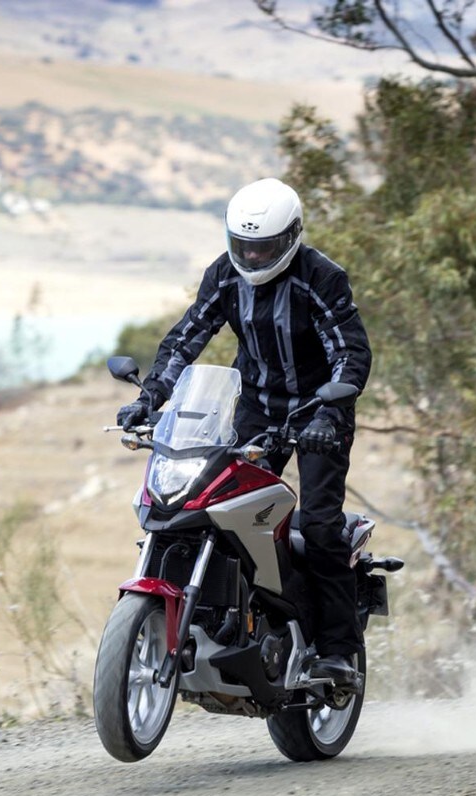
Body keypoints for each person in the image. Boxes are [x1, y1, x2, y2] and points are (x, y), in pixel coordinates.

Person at [116, 177, 372, 683]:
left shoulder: (321, 278)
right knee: (210, 504)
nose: (252, 257)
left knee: (319, 525)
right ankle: (234, 618)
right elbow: (187, 337)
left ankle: (338, 650)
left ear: (292, 237)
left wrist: (329, 415)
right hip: (254, 406)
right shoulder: (224, 275)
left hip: (319, 412)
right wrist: (149, 397)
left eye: (264, 248)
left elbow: (350, 352)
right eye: (243, 246)